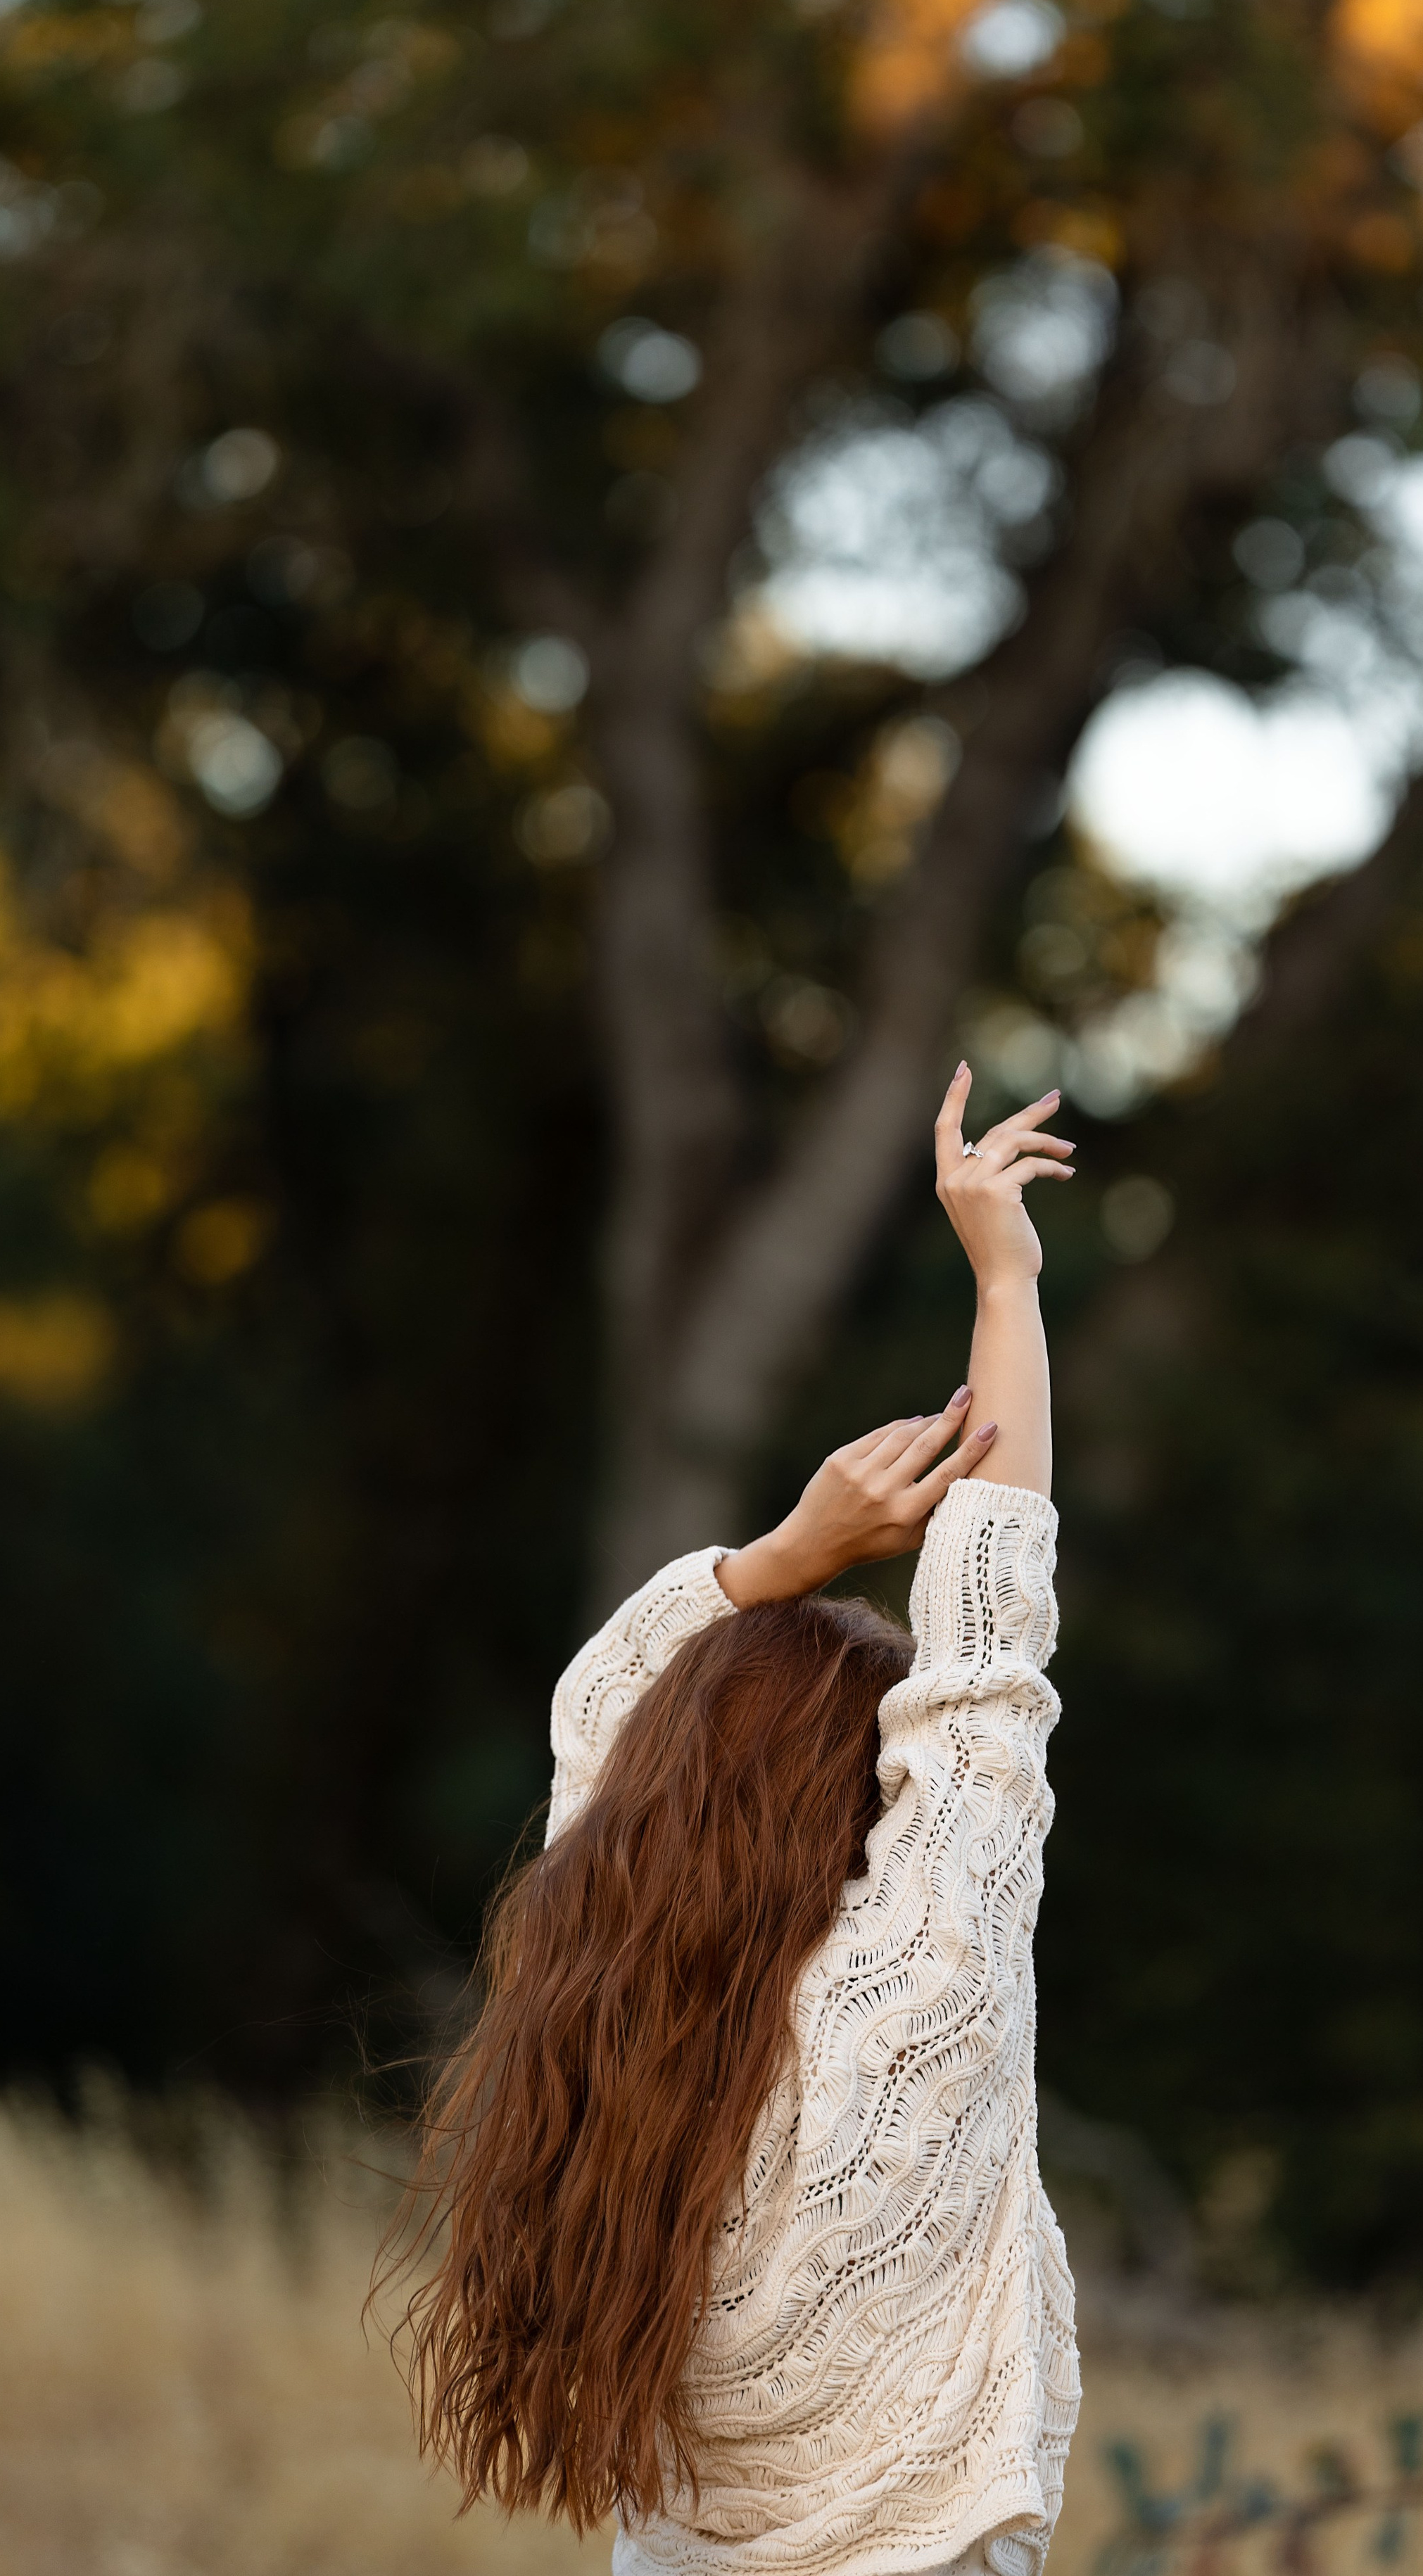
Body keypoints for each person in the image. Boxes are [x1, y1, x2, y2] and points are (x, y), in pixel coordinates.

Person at [390, 1063, 1081, 2576]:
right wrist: (1003, 1272)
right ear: (858, 1799)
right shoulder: (913, 2006)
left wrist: (789, 1547)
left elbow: (603, 1717)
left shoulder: (614, 2004)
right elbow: (986, 1659)